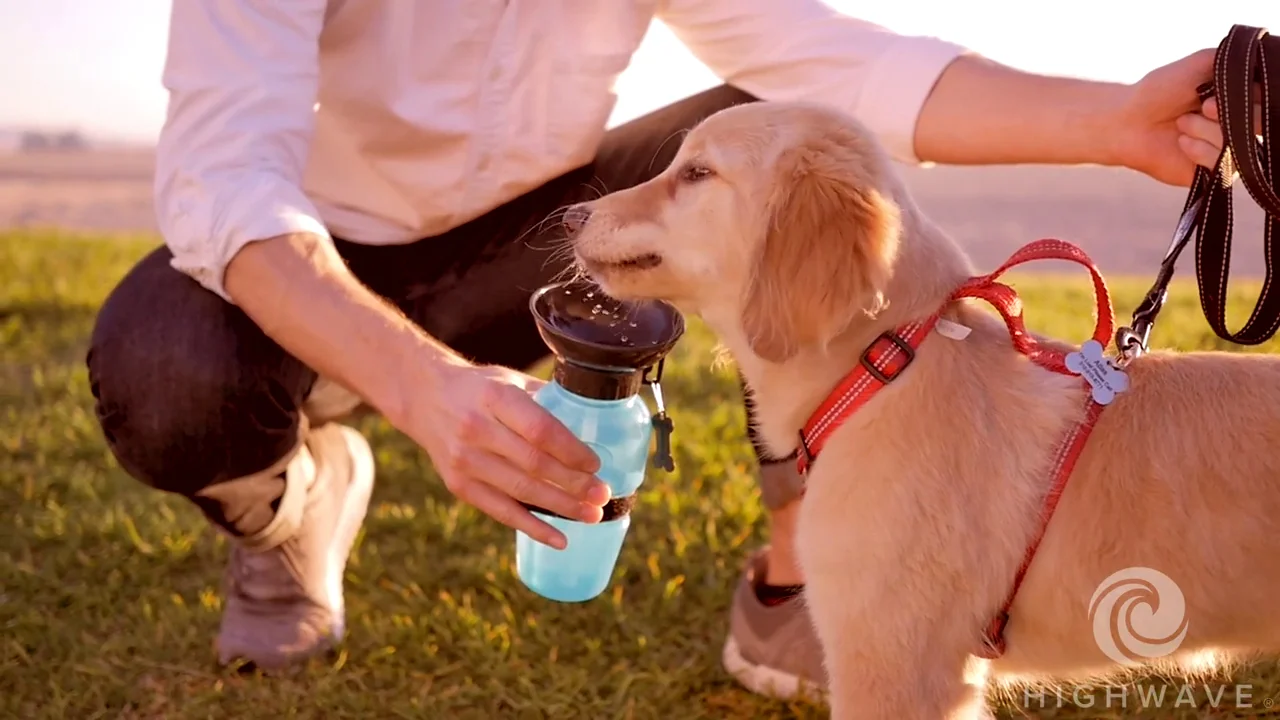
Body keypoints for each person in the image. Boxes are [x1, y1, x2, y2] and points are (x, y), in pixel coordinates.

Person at [86, 0, 1235, 696]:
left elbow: (836, 63)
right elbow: (226, 180)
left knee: (776, 118)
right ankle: (291, 506)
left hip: (541, 237)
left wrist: (1107, 120)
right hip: (302, 246)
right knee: (163, 372)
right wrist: (425, 393)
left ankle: (803, 568)